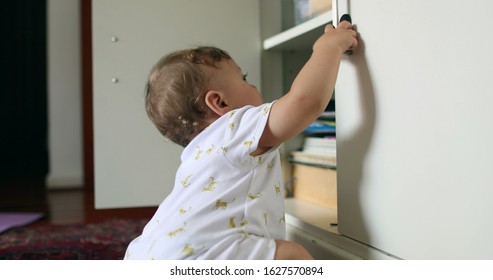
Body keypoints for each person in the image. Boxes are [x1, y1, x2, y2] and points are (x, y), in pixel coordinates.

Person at [124, 21, 357, 260]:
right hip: (196, 254)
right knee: (290, 256)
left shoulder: (196, 155)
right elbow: (305, 102)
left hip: (150, 252)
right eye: (243, 79)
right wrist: (328, 47)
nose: (253, 85)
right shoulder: (232, 126)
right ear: (220, 104)